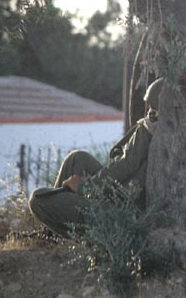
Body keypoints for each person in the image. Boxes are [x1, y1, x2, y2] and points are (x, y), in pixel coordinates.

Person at [28, 78, 164, 237]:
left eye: (153, 108)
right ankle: (50, 235)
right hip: (122, 195)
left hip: (123, 212)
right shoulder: (160, 128)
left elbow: (126, 165)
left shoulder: (151, 130)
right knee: (77, 159)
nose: (150, 112)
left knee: (37, 199)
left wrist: (86, 188)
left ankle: (56, 234)